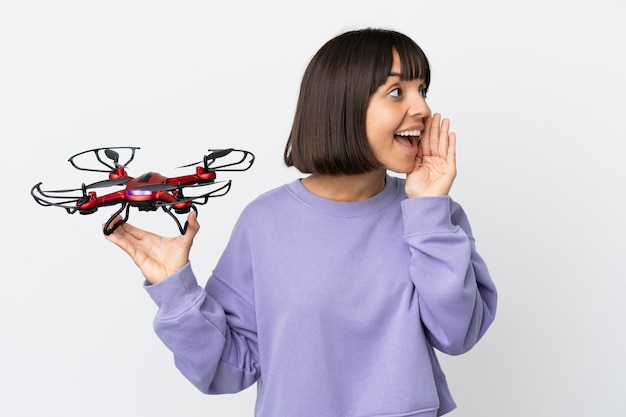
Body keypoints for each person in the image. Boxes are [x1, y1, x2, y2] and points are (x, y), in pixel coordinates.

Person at [106, 27, 497, 417]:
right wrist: (175, 290)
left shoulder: (432, 216)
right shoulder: (265, 223)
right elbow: (229, 369)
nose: (423, 109)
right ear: (341, 103)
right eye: (397, 92)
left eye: (422, 90)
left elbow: (457, 333)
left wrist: (428, 209)